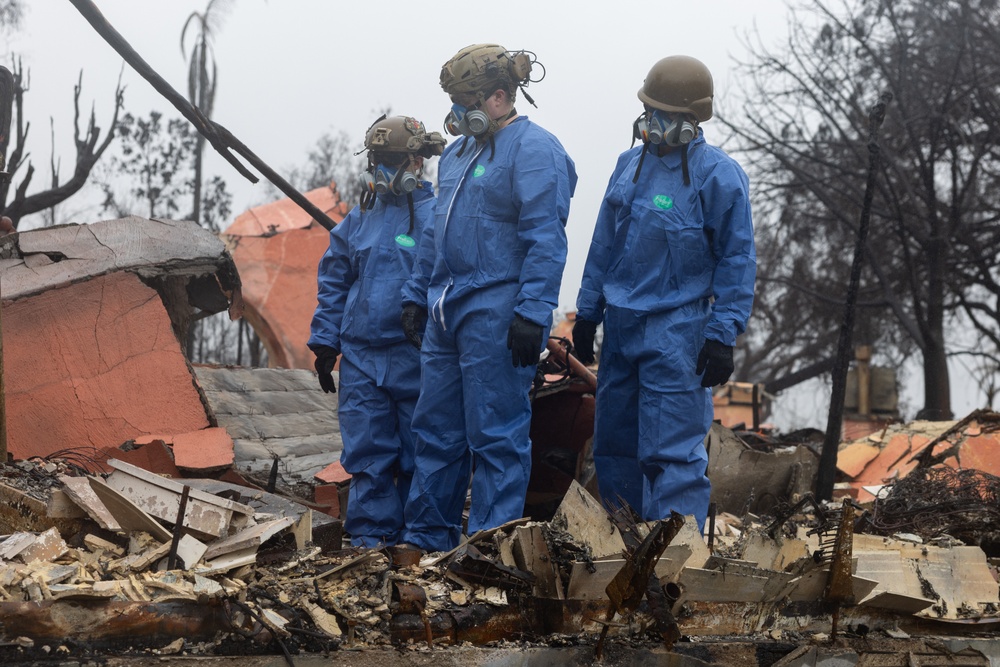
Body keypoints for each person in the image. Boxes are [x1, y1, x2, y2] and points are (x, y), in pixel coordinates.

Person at [399, 44, 578, 553]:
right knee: (435, 431)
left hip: (497, 310)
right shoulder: (457, 154)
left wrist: (531, 311)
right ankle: (428, 542)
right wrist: (416, 295)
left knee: (496, 436)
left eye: (463, 100)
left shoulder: (536, 149)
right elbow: (434, 232)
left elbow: (546, 236)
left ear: (498, 96)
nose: (454, 113)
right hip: (445, 310)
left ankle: (488, 549)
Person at [573, 55, 756, 532]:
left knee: (671, 453)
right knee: (615, 446)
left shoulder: (720, 176)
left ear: (691, 120)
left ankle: (673, 565)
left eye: (664, 115)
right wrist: (588, 310)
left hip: (678, 334)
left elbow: (738, 259)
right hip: (621, 329)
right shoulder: (627, 165)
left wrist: (722, 333)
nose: (652, 123)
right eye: (649, 111)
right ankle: (620, 555)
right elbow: (603, 242)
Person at [308, 115, 446, 548]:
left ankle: (418, 539)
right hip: (362, 357)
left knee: (418, 450)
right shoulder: (359, 219)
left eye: (390, 159)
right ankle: (370, 537)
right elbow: (334, 278)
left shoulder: (438, 216)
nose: (382, 169)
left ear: (416, 162)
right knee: (367, 452)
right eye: (376, 159)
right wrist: (325, 340)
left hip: (415, 355)